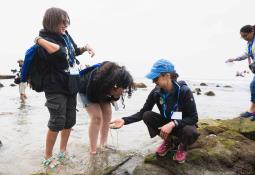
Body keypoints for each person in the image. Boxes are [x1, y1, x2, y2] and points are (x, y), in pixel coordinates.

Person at [34, 7, 95, 167]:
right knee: (57, 121)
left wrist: (85, 47)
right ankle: (47, 156)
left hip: (71, 85)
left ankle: (62, 151)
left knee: (69, 121)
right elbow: (59, 52)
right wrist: (38, 40)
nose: (65, 25)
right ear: (52, 21)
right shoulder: (44, 37)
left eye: (66, 22)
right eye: (62, 22)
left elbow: (72, 51)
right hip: (55, 87)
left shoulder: (65, 35)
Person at [110, 59, 199, 163]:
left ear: (167, 75)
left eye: (156, 78)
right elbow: (143, 112)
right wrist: (124, 120)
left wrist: (173, 124)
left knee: (190, 131)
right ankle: (169, 142)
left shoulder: (184, 91)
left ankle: (183, 146)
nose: (153, 81)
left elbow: (194, 118)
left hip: (182, 126)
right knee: (147, 115)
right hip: (166, 127)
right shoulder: (156, 92)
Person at [78, 61, 134, 154]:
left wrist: (115, 96)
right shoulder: (97, 78)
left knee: (107, 113)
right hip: (86, 90)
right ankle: (93, 150)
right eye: (123, 88)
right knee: (96, 117)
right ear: (116, 85)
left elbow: (114, 96)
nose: (124, 91)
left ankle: (103, 144)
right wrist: (98, 106)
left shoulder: (113, 81)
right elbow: (91, 96)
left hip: (102, 90)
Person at [226, 25, 255, 119]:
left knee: (253, 85)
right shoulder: (250, 43)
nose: (244, 38)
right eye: (242, 37)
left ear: (252, 32)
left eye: (245, 36)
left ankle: (251, 111)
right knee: (253, 86)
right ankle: (252, 111)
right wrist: (234, 59)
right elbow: (246, 54)